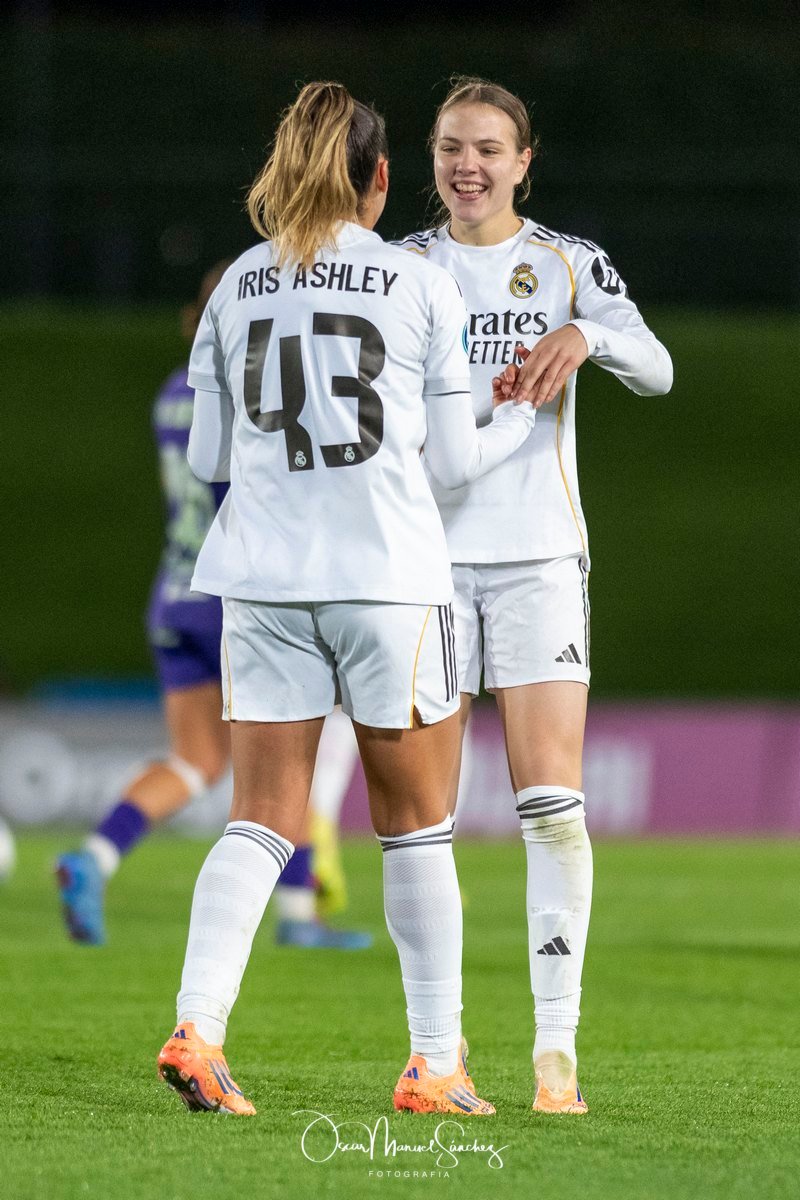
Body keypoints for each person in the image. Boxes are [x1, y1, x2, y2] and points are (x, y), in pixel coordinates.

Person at [156, 80, 538, 1116]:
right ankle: (434, 1064)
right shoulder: (418, 284)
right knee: (414, 828)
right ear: (379, 178)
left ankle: (198, 1028)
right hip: (386, 581)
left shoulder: (237, 284)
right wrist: (518, 416)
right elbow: (452, 464)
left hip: (263, 582)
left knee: (259, 820)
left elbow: (209, 456)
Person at [395, 77, 673, 1114]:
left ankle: (555, 1049)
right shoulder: (401, 267)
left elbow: (658, 368)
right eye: (449, 147)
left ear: (523, 161)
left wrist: (585, 337)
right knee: (422, 821)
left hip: (537, 561)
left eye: (486, 149)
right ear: (430, 158)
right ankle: (435, 1052)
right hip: (421, 565)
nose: (465, 166)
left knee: (551, 806)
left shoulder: (566, 265)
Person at [55, 267, 369, 951]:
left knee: (195, 760)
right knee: (292, 754)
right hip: (236, 596)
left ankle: (94, 857)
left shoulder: (173, 392)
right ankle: (297, 913)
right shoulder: (254, 392)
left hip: (174, 594)